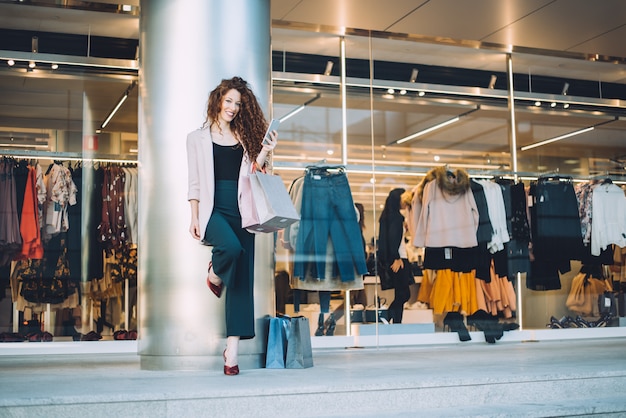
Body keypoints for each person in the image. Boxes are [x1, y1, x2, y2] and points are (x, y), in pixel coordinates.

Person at [187, 76, 277, 375]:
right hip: (214, 209)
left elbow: (256, 173)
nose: (233, 108)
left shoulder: (244, 136)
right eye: (229, 101)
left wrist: (265, 150)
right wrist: (194, 215)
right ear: (218, 100)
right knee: (230, 248)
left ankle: (232, 351)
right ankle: (214, 273)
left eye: (238, 104)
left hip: (243, 210)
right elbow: (195, 182)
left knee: (241, 280)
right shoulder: (196, 138)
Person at [378, 188, 413, 324]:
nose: (405, 203)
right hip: (399, 259)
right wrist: (397, 258)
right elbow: (393, 239)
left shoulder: (387, 216)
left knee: (400, 293)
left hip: (396, 258)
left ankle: (397, 323)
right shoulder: (396, 217)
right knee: (405, 294)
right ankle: (387, 316)